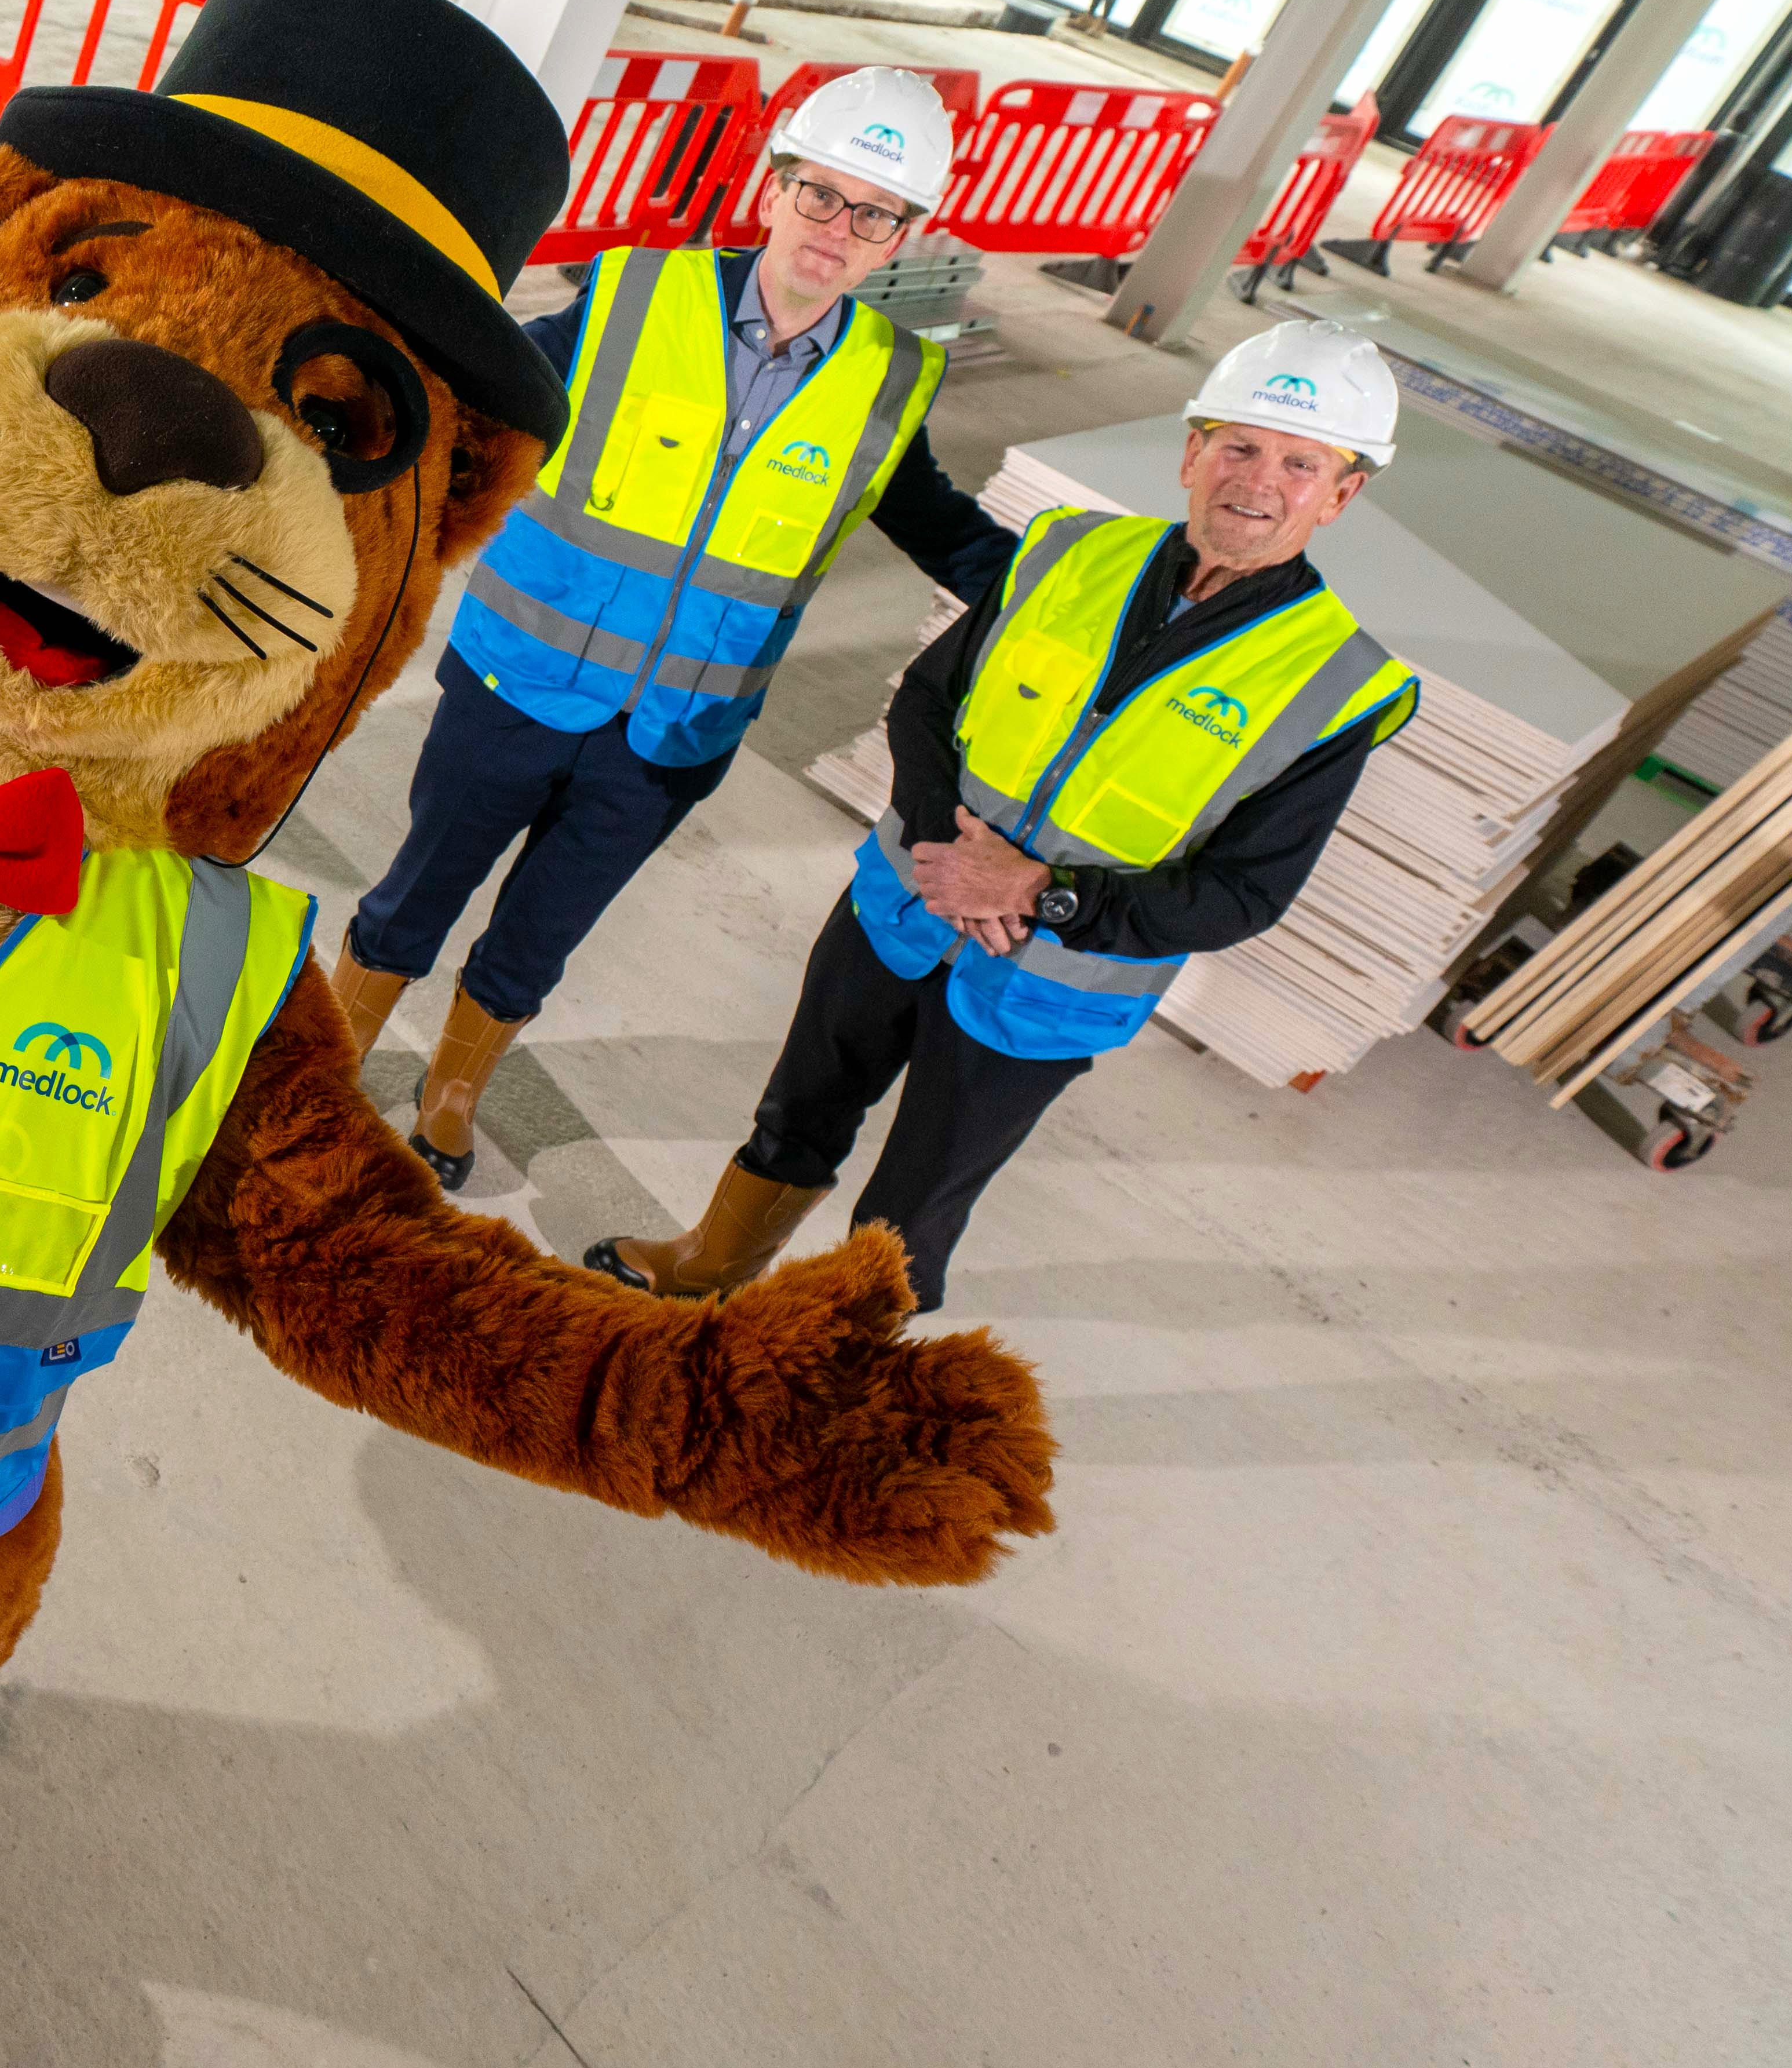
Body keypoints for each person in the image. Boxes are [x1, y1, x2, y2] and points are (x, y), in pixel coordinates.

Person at [593, 318, 1420, 1305]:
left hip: (1051, 983)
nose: (1257, 478)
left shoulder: (1338, 682)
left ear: (1341, 493)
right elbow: (927, 701)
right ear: (1192, 450)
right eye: (1238, 443)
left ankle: (825, 1373)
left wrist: (1040, 892)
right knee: (798, 1108)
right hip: (903, 903)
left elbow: (1243, 894)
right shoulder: (1069, 551)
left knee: (913, 1206)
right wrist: (950, 850)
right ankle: (713, 1263)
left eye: (1300, 461)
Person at [329, 69, 1015, 1190]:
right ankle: (335, 1052)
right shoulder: (630, 294)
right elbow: (476, 395)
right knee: (418, 888)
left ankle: (451, 1090)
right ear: (772, 181)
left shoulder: (892, 381)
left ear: (904, 236)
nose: (837, 229)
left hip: (671, 736)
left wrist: (1070, 596)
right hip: (518, 683)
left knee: (539, 934)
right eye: (820, 192)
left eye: (873, 212)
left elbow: (943, 528)